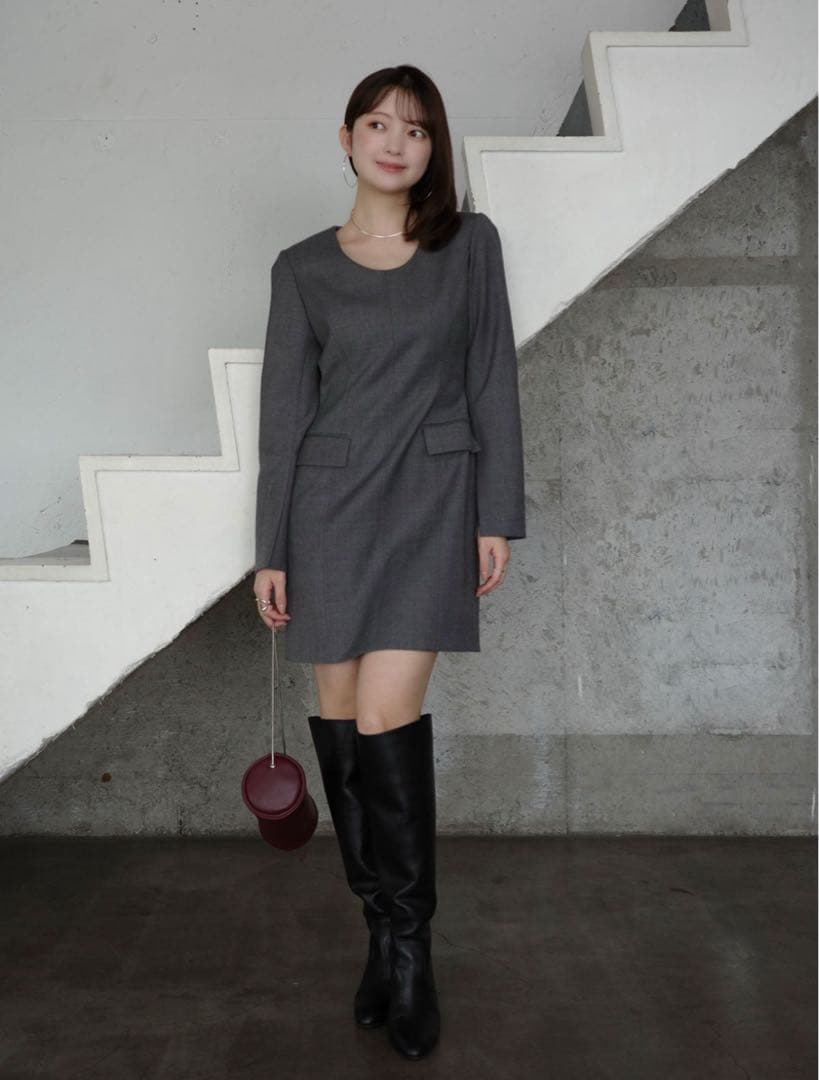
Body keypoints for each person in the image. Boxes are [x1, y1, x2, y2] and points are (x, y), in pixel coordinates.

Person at [252, 64, 526, 1061]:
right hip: (328, 515)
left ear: (432, 146)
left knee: (384, 716)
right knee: (338, 722)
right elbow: (285, 417)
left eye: (414, 129)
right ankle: (380, 931)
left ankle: (412, 954)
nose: (395, 143)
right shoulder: (301, 269)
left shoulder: (469, 247)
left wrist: (495, 515)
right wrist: (272, 548)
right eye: (377, 124)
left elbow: (492, 379)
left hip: (431, 506)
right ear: (347, 138)